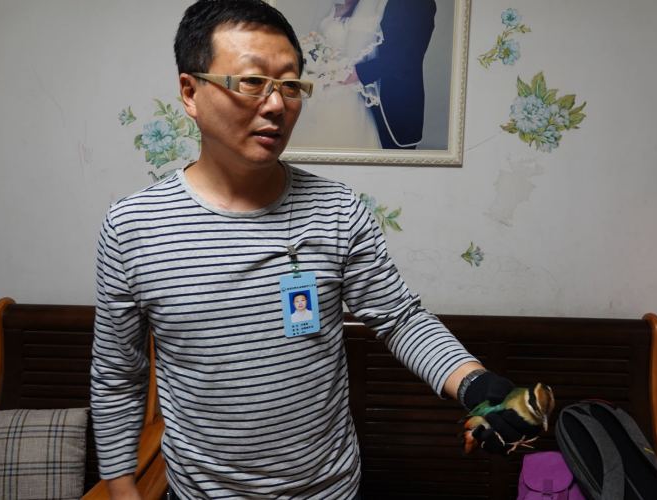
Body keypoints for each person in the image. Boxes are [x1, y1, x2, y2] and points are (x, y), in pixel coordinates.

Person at [90, 1, 537, 498]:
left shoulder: (337, 210)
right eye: (252, 82)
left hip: (330, 489)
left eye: (289, 85)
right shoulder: (132, 227)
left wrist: (474, 382)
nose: (276, 105)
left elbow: (400, 319)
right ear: (190, 92)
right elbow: (117, 375)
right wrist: (121, 488)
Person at [287, 0, 386, 149]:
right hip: (320, 79)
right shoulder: (333, 7)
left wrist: (336, 74)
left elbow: (361, 55)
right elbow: (319, 40)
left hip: (343, 85)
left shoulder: (363, 14)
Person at [353, 0, 437, 149]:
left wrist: (359, 73)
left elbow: (408, 56)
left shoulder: (420, 3)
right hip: (358, 99)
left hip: (395, 103)